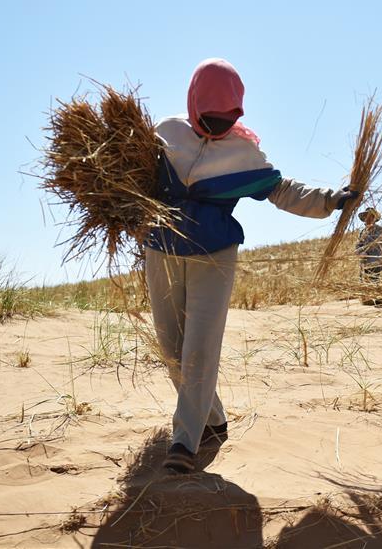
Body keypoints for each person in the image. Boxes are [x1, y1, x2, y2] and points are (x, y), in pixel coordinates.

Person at [145, 58, 357, 473]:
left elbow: (282, 190)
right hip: (162, 251)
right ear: (192, 105)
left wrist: (331, 199)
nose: (217, 126)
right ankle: (214, 419)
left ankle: (184, 443)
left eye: (227, 119)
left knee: (199, 349)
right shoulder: (165, 132)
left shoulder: (244, 154)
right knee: (171, 347)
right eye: (209, 118)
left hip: (214, 255)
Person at [355, 207, 382, 303]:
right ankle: (367, 299)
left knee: (375, 279)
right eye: (366, 216)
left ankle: (377, 298)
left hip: (375, 260)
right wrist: (359, 252)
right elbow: (358, 244)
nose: (368, 218)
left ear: (374, 218)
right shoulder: (362, 232)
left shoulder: (379, 229)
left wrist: (364, 251)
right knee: (365, 280)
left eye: (371, 216)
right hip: (364, 261)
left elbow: (375, 243)